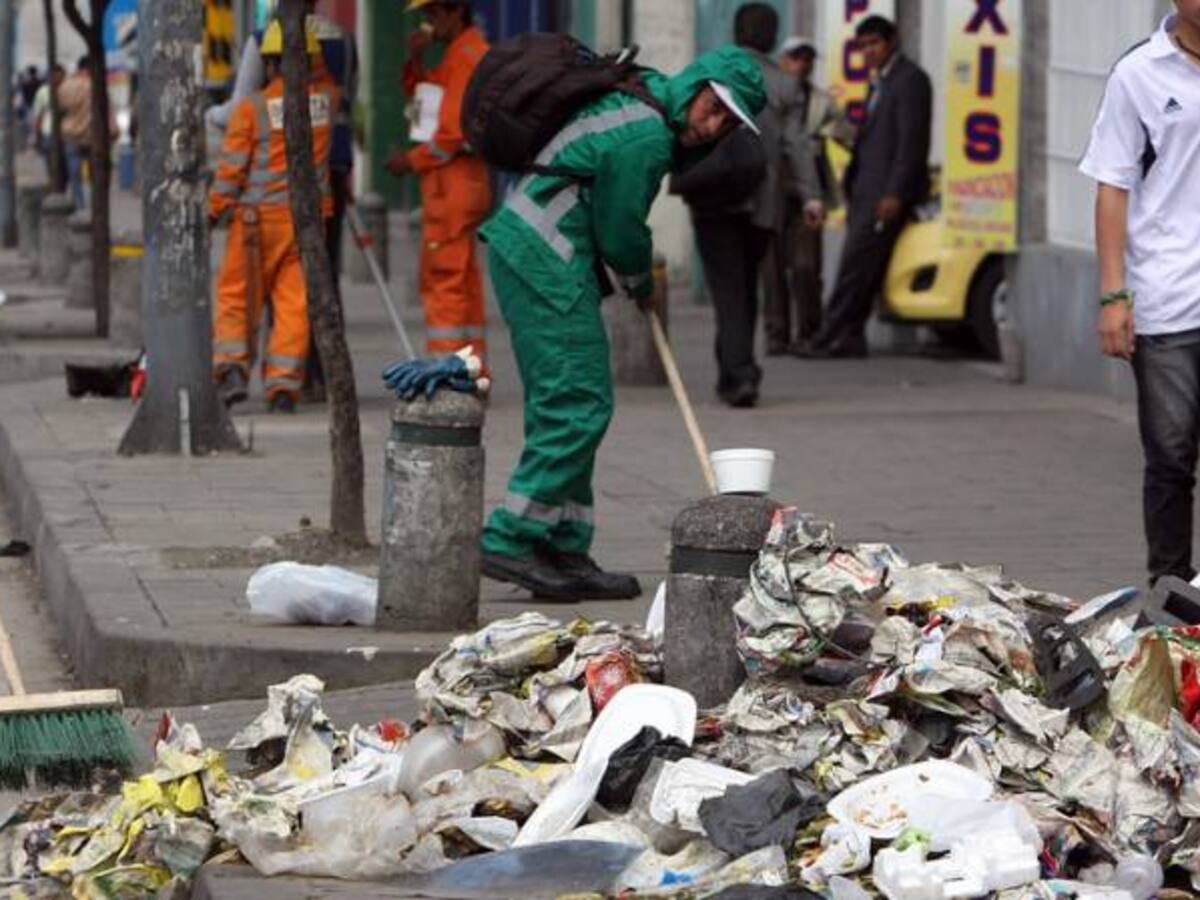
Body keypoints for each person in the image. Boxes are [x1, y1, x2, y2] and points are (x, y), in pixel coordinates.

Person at [478, 46, 765, 599]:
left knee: (566, 401)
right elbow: (620, 230)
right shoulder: (647, 135)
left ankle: (563, 543)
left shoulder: (648, 99)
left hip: (538, 251)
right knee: (578, 403)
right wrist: (639, 280)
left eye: (729, 121)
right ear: (698, 86)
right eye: (714, 108)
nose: (715, 127)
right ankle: (511, 536)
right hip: (546, 255)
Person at [1080, 0, 1200, 586]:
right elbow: (1113, 185)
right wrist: (1112, 294)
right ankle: (1171, 596)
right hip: (1167, 295)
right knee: (1173, 458)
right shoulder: (1139, 72)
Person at [688, 4, 824, 409]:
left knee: (727, 288)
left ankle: (736, 374)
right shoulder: (785, 83)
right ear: (772, 37)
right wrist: (811, 195)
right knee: (745, 287)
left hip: (711, 198)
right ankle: (738, 372)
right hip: (761, 205)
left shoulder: (711, 71)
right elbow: (795, 144)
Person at [209, 20, 338, 414]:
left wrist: (213, 210)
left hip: (254, 223)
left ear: (269, 64)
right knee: (294, 305)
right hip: (303, 225)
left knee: (236, 298)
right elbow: (329, 82)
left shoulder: (251, 110)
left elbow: (231, 170)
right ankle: (283, 386)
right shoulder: (325, 104)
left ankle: (232, 371)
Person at [797, 15, 931, 359]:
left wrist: (895, 193)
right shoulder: (880, 82)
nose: (869, 52)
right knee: (862, 268)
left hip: (884, 194)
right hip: (864, 189)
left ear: (892, 41)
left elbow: (910, 145)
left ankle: (827, 336)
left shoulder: (910, 81)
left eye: (874, 44)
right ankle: (851, 337)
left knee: (854, 268)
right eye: (863, 46)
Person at [386, 0, 491, 360]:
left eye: (432, 14)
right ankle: (472, 368)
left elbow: (450, 134)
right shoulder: (459, 55)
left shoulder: (466, 57)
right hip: (461, 185)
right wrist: (415, 61)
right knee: (464, 282)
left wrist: (409, 161)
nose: (428, 23)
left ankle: (448, 373)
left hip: (454, 187)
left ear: (455, 12)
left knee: (445, 280)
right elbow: (425, 101)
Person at [763, 36, 840, 356]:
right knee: (771, 267)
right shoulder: (767, 94)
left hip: (807, 193)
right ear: (782, 60)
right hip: (770, 190)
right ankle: (776, 334)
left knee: (807, 266)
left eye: (808, 58)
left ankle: (809, 331)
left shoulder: (821, 101)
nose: (802, 64)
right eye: (796, 57)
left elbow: (844, 132)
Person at [57, 57, 93, 210]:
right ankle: (93, 203)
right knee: (94, 173)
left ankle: (80, 204)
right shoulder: (94, 85)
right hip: (91, 133)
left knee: (74, 173)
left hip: (70, 134)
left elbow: (60, 110)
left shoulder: (64, 86)